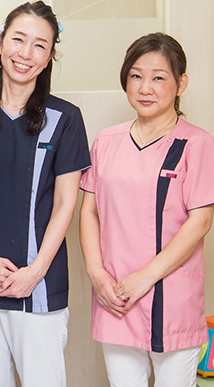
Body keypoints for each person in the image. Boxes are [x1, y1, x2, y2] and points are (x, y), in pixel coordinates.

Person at [0, 1, 90, 387]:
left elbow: (67, 202)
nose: (25, 53)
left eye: (39, 46)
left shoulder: (65, 118)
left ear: (49, 57)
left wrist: (36, 271)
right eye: (18, 39)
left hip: (39, 283)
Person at [79, 32, 214, 387]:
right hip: (116, 297)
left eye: (159, 77)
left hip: (170, 299)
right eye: (136, 76)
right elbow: (90, 211)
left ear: (181, 83)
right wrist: (97, 274)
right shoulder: (106, 141)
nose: (145, 87)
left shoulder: (196, 143)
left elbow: (200, 222)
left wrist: (144, 278)